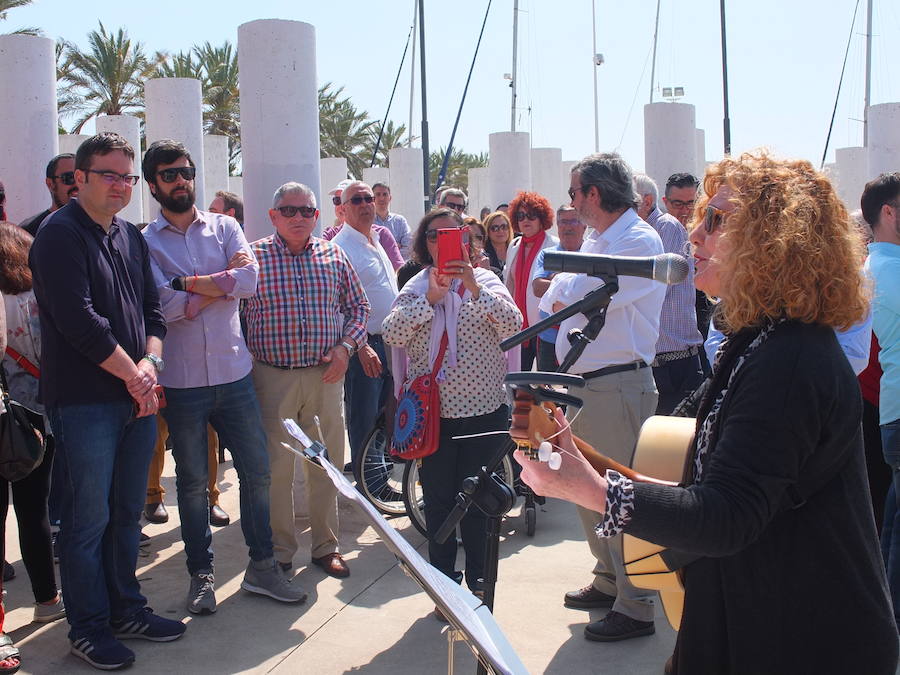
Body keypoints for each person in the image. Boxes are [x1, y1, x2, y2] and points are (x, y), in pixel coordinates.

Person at [518, 152, 898, 674]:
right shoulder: (758, 342)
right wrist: (576, 457)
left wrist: (592, 491)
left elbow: (725, 516)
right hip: (758, 616)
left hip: (806, 638)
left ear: (774, 239)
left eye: (715, 220)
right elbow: (698, 487)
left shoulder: (792, 360)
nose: (694, 234)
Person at [28, 132, 185, 670]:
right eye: (109, 175)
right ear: (80, 179)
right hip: (84, 403)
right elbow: (80, 322)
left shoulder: (128, 236)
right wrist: (136, 376)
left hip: (135, 398)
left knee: (125, 516)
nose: (120, 186)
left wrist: (151, 366)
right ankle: (89, 627)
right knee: (86, 521)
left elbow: (152, 311)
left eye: (127, 177)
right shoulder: (58, 235)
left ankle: (126, 610)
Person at [141, 140, 306, 614]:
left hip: (235, 376)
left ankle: (262, 568)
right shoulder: (144, 242)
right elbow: (162, 305)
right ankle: (201, 575)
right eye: (169, 174)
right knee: (192, 484)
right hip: (183, 381)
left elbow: (249, 282)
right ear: (153, 184)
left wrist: (186, 286)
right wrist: (219, 286)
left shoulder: (226, 226)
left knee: (257, 472)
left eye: (185, 171)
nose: (180, 181)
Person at [539, 153, 664, 641]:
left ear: (594, 192)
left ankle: (636, 605)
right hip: (585, 382)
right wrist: (565, 285)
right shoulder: (600, 239)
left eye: (574, 193)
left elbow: (581, 291)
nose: (571, 203)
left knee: (618, 495)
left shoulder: (639, 240)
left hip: (617, 383)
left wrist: (563, 284)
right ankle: (610, 580)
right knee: (585, 490)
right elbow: (559, 288)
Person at [382, 208, 522, 608]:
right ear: (424, 244)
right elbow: (391, 332)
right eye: (433, 236)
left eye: (452, 234)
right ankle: (445, 590)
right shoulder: (416, 286)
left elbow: (514, 325)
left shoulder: (488, 281)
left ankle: (480, 587)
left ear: (467, 241)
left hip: (485, 414)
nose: (441, 242)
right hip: (434, 420)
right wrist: (431, 297)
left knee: (480, 505)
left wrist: (473, 286)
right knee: (441, 504)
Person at [244, 181, 369, 580]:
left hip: (325, 376)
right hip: (272, 377)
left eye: (306, 211)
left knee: (325, 464)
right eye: (289, 210)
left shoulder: (334, 255)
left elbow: (359, 307)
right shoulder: (252, 257)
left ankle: (326, 547)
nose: (298, 217)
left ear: (317, 216)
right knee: (277, 469)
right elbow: (235, 314)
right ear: (273, 215)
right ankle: (281, 551)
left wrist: (346, 347)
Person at [0, 223, 66, 675]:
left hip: (4, 414)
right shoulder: (41, 295)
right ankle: (46, 599)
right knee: (33, 509)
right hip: (38, 418)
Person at [332, 181, 398, 469]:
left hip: (389, 342)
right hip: (364, 346)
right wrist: (358, 346)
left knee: (384, 414)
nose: (365, 205)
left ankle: (377, 478)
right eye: (356, 200)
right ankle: (368, 481)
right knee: (365, 417)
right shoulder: (340, 248)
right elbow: (337, 306)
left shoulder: (377, 239)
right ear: (343, 209)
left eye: (368, 198)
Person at [861, 172, 900, 631]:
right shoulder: (890, 271)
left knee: (890, 522)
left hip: (886, 410)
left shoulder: (873, 268)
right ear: (889, 213)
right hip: (888, 409)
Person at [634, 174, 704, 414]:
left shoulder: (667, 227)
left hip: (674, 364)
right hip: (657, 362)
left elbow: (657, 288)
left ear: (646, 201)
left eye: (624, 201)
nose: (685, 210)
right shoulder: (643, 232)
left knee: (671, 434)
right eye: (678, 203)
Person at [504, 192, 559, 371]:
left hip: (544, 326)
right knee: (519, 380)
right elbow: (510, 284)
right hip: (518, 327)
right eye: (520, 216)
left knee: (546, 381)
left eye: (531, 215)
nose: (525, 220)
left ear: (542, 218)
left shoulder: (554, 245)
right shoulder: (514, 245)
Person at [532, 206, 586, 371]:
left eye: (574, 221)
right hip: (549, 338)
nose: (568, 227)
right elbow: (537, 287)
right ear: (557, 225)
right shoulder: (548, 255)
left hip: (581, 338)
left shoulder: (592, 254)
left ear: (584, 225)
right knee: (547, 386)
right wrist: (575, 282)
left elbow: (592, 290)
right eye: (563, 222)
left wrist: (556, 279)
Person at [322, 179, 403, 271]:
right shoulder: (330, 237)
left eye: (367, 199)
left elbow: (399, 270)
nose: (341, 206)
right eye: (337, 200)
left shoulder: (381, 234)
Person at [19, 153, 79, 236]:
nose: (77, 184)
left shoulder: (95, 226)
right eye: (69, 177)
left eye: (82, 178)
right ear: (50, 184)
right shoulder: (29, 231)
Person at [373, 182, 412, 260]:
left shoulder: (400, 221)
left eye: (385, 194)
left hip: (398, 266)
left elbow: (408, 247)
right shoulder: (366, 222)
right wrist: (394, 248)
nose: (381, 198)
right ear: (372, 198)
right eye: (378, 194)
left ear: (390, 198)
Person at [483, 211, 513, 275]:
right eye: (495, 228)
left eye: (504, 227)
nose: (500, 231)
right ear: (487, 231)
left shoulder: (516, 249)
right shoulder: (483, 254)